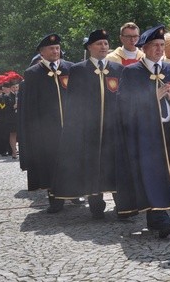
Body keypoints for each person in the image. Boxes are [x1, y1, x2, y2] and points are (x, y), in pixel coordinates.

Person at [116, 24, 170, 238]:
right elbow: (124, 105)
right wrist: (152, 98)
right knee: (151, 174)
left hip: (169, 131)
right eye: (155, 45)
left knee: (167, 174)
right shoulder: (132, 72)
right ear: (144, 48)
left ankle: (158, 218)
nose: (159, 49)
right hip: (146, 135)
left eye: (162, 45)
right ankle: (160, 219)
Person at [50, 29, 124, 218]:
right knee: (93, 166)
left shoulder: (117, 69)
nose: (103, 47)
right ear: (89, 47)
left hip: (112, 129)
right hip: (89, 130)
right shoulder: (78, 70)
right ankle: (96, 206)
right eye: (99, 44)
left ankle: (122, 205)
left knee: (115, 165)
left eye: (106, 43)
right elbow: (73, 101)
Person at [19, 34, 73, 213]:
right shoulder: (33, 73)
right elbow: (30, 106)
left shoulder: (70, 68)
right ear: (42, 52)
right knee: (52, 163)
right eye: (51, 49)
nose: (55, 51)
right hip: (47, 130)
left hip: (70, 126)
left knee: (71, 160)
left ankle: (74, 192)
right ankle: (55, 197)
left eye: (57, 48)